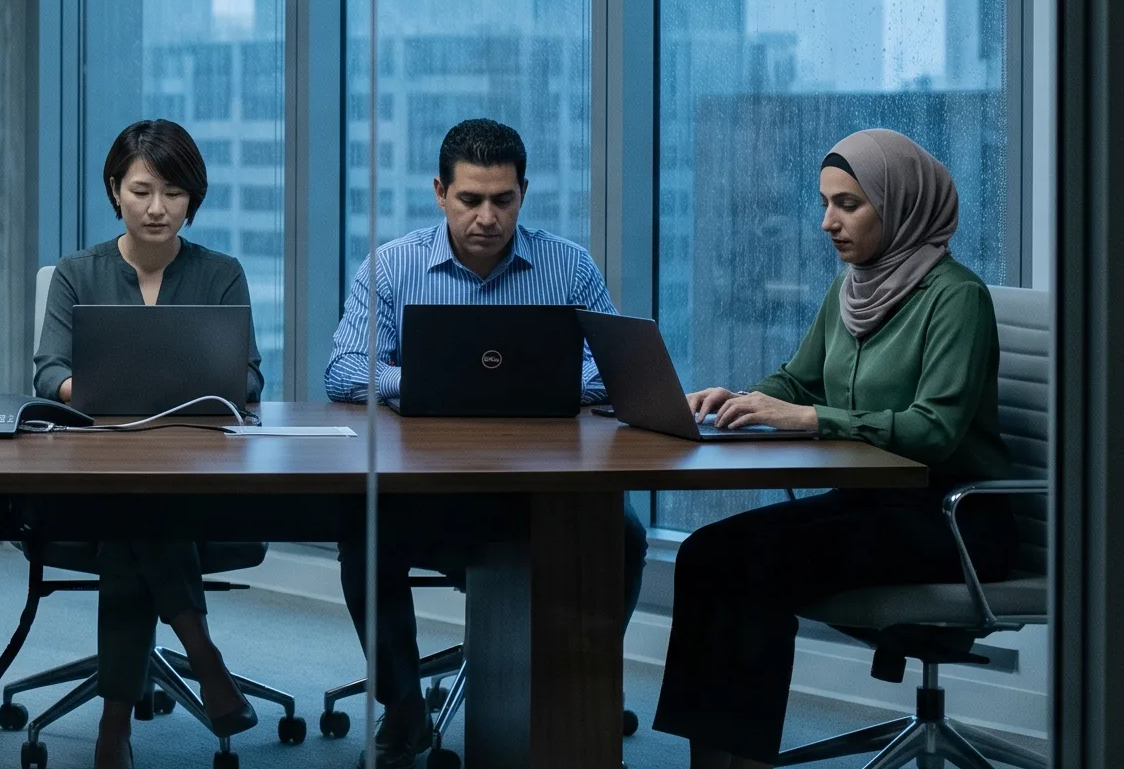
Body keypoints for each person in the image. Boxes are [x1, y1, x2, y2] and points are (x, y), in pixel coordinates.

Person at [655, 129, 1014, 769]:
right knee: (706, 552)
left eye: (848, 204)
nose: (827, 222)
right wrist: (741, 400)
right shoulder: (852, 289)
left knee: (755, 564)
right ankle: (711, 761)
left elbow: (935, 431)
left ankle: (743, 761)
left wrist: (812, 418)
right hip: (871, 501)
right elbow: (798, 381)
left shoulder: (957, 297)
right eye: (824, 203)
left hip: (953, 518)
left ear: (900, 204)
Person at [323, 117, 648, 769]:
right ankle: (405, 709)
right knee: (363, 527)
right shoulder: (392, 266)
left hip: (542, 490)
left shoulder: (568, 266)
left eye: (502, 199)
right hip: (428, 490)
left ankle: (579, 684)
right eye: (470, 199)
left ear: (523, 192)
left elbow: (616, 370)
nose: (487, 217)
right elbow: (342, 371)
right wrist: (425, 380)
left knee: (626, 534)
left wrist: (554, 382)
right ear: (440, 191)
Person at [31, 119, 261, 769]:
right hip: (95, 469)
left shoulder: (221, 275)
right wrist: (99, 388)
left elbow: (248, 375)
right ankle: (203, 653)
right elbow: (48, 372)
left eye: (175, 192)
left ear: (193, 198)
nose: (158, 208)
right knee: (134, 505)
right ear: (114, 191)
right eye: (142, 190)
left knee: (138, 512)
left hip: (195, 473)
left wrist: (188, 391)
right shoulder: (78, 274)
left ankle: (113, 725)